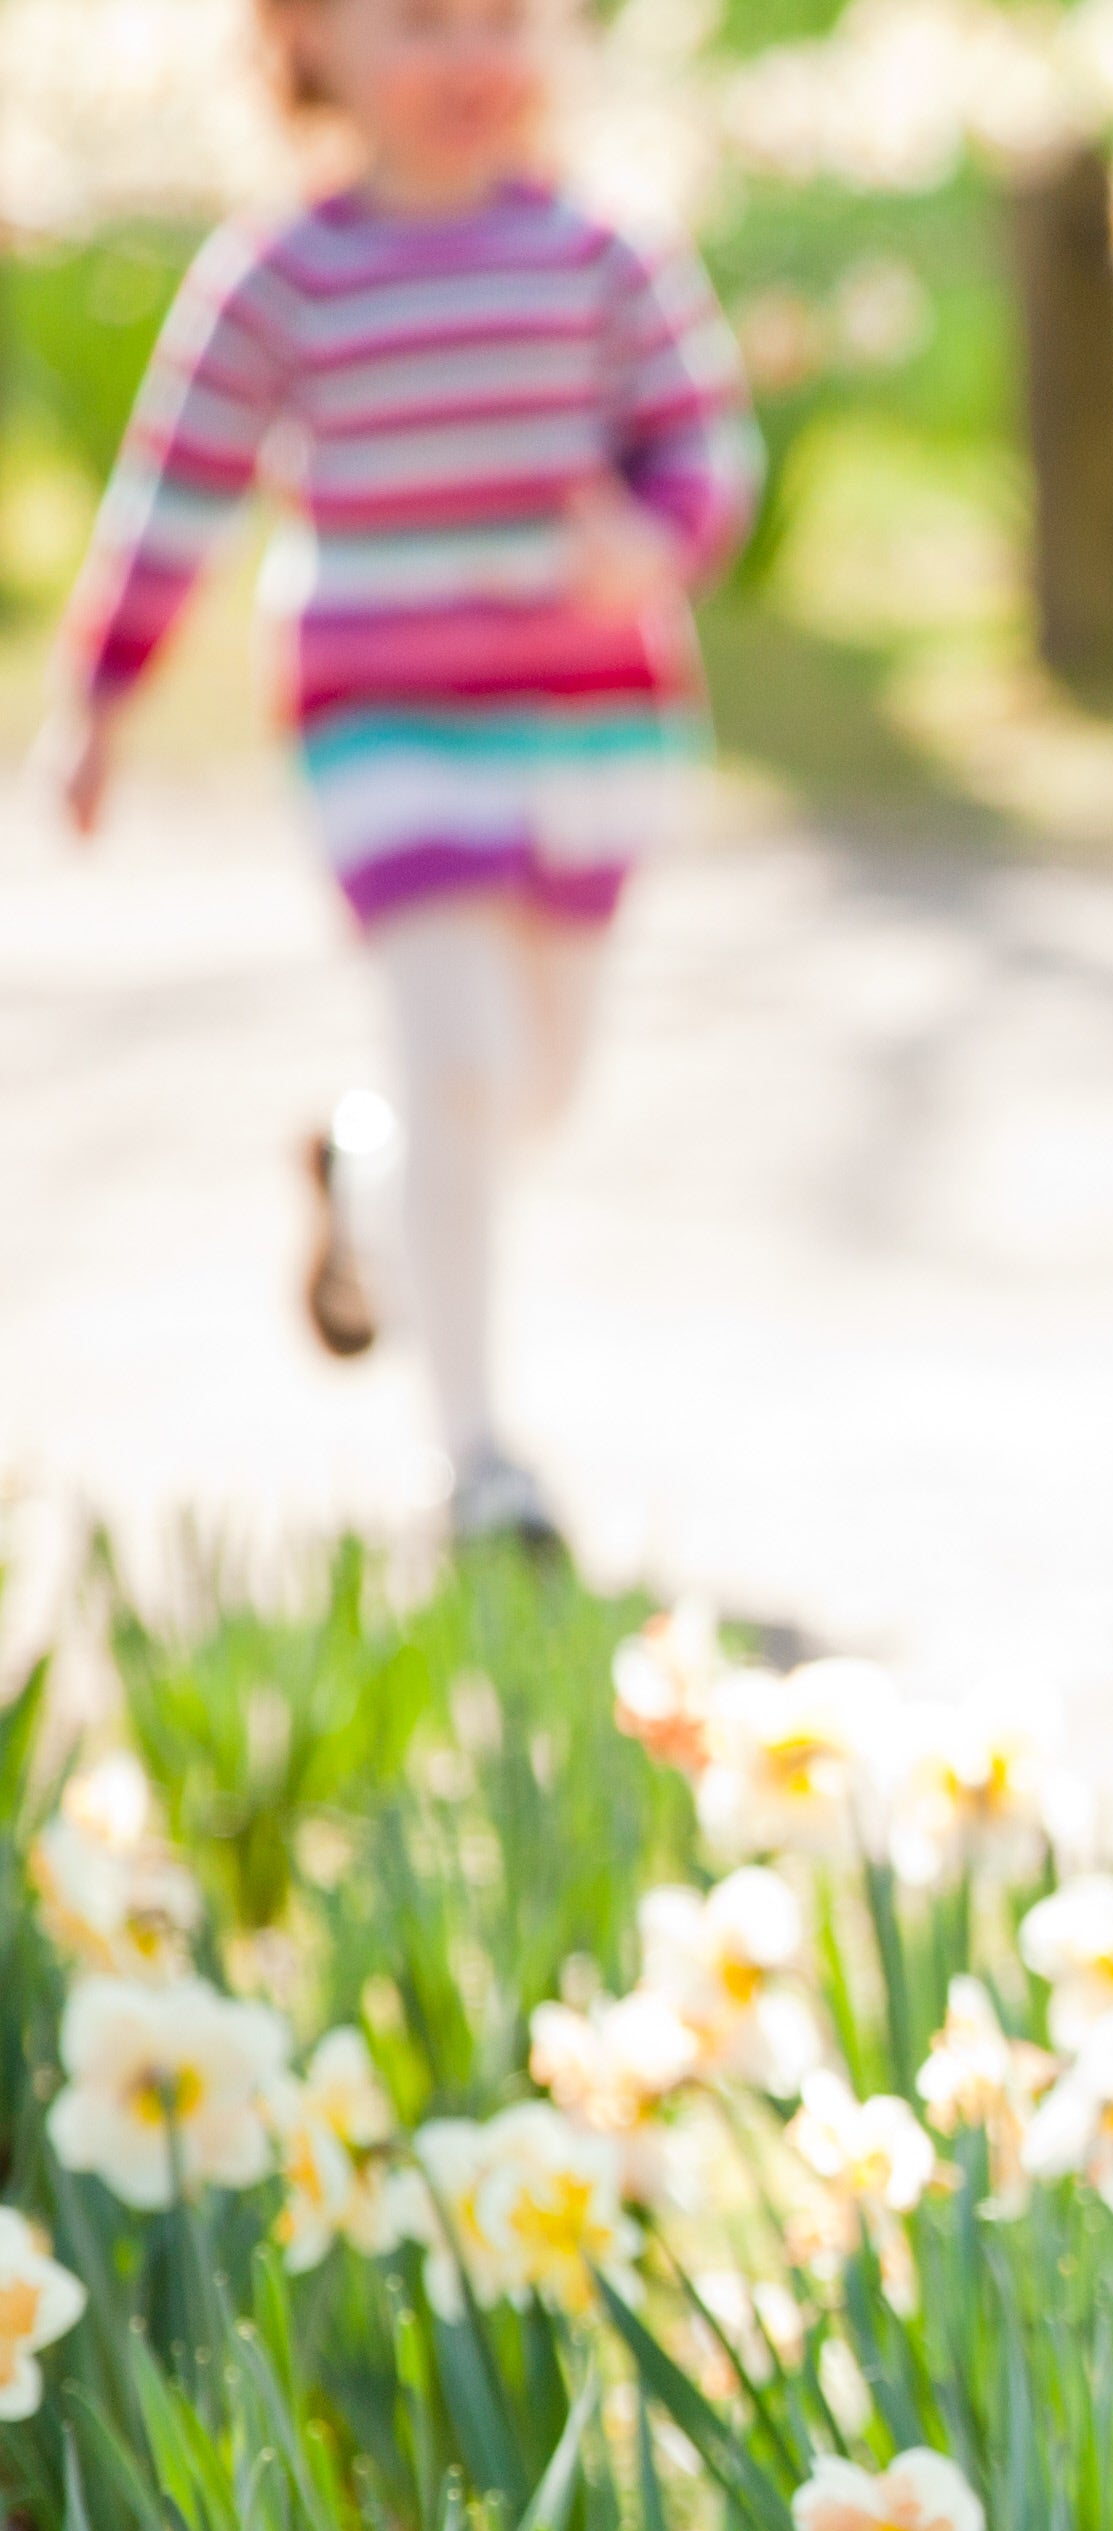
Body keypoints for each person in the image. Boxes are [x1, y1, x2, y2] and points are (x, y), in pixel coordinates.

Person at [27, 0, 755, 1558]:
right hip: (387, 724)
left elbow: (705, 452)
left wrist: (650, 541)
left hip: (587, 729)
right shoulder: (282, 276)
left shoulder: (602, 256)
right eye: (420, 21)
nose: (469, 57)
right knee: (462, 1052)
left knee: (534, 1090)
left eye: (502, 18)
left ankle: (368, 1189)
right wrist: (100, 696)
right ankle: (476, 1455)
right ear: (313, 47)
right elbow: (182, 489)